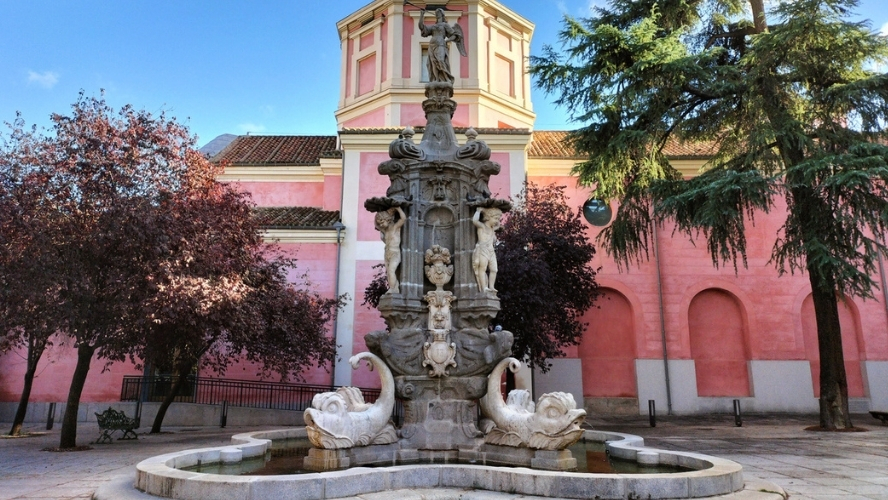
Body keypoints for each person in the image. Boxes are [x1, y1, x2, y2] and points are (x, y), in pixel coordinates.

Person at [418, 8, 466, 83]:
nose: (437, 13)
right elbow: (422, 27)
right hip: (432, 45)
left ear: (442, 14)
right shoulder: (433, 26)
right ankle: (436, 79)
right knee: (433, 63)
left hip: (441, 44)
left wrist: (447, 40)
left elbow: (455, 35)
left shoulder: (445, 25)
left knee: (440, 60)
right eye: (436, 12)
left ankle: (447, 78)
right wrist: (421, 16)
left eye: (439, 12)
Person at [375, 206, 407, 294]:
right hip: (387, 253)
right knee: (389, 273)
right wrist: (379, 212)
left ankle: (393, 289)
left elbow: (403, 218)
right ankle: (394, 287)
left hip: (395, 253)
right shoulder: (385, 231)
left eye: (382, 222)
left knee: (392, 271)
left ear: (388, 219)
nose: (381, 225)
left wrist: (398, 209)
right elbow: (376, 225)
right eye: (380, 223)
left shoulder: (395, 227)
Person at [472, 206, 502, 293]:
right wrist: (478, 211)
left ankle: (491, 286)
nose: (497, 221)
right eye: (496, 218)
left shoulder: (492, 229)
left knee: (494, 269)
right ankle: (484, 287)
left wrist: (498, 222)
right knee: (483, 268)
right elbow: (474, 221)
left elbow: (497, 226)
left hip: (491, 251)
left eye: (498, 218)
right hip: (483, 249)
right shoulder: (482, 226)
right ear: (488, 217)